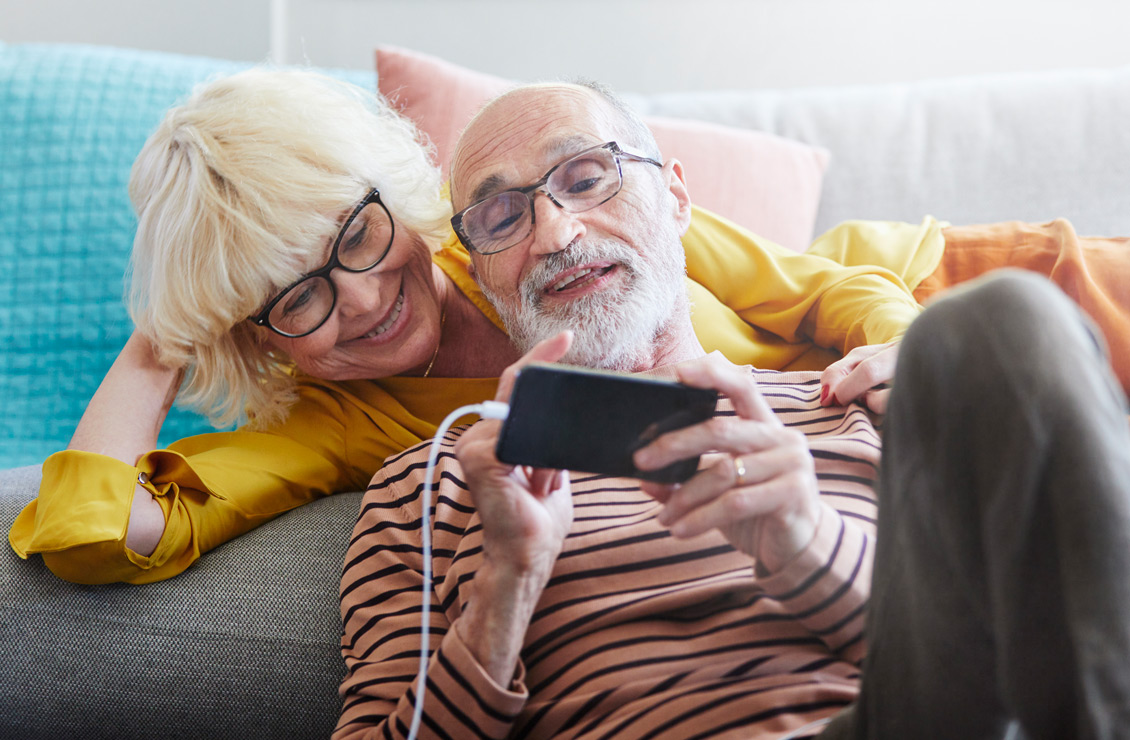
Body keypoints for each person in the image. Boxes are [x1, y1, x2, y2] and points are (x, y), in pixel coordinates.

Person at [335, 81, 1130, 739]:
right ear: (481, 271)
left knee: (1004, 321)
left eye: (585, 178)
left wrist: (807, 545)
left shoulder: (853, 393)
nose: (556, 232)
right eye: (501, 217)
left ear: (677, 198)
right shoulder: (434, 482)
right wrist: (507, 583)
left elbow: (1015, 649)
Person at [6, 68, 924, 584]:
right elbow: (95, 535)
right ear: (260, 341)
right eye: (295, 299)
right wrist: (167, 331)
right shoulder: (332, 421)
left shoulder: (534, 226)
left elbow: (828, 289)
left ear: (399, 199)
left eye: (354, 236)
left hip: (929, 297)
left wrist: (908, 345)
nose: (360, 302)